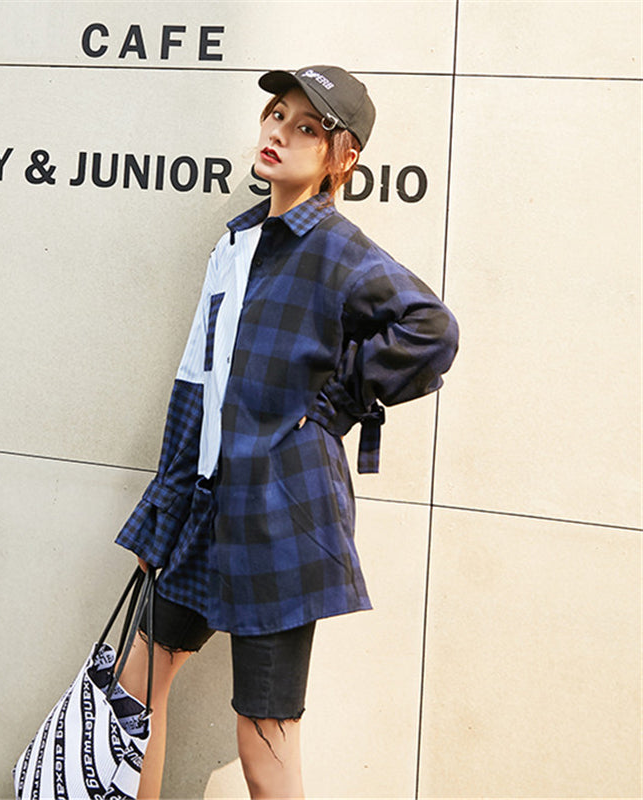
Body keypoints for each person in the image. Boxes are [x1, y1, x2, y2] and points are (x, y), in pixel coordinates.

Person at [115, 65, 459, 799]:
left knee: (264, 738)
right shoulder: (235, 243)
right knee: (134, 694)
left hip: (281, 518)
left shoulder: (338, 249)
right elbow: (196, 385)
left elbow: (432, 329)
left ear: (343, 158)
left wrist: (337, 403)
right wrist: (162, 513)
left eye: (307, 127)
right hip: (206, 508)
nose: (279, 132)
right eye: (276, 115)